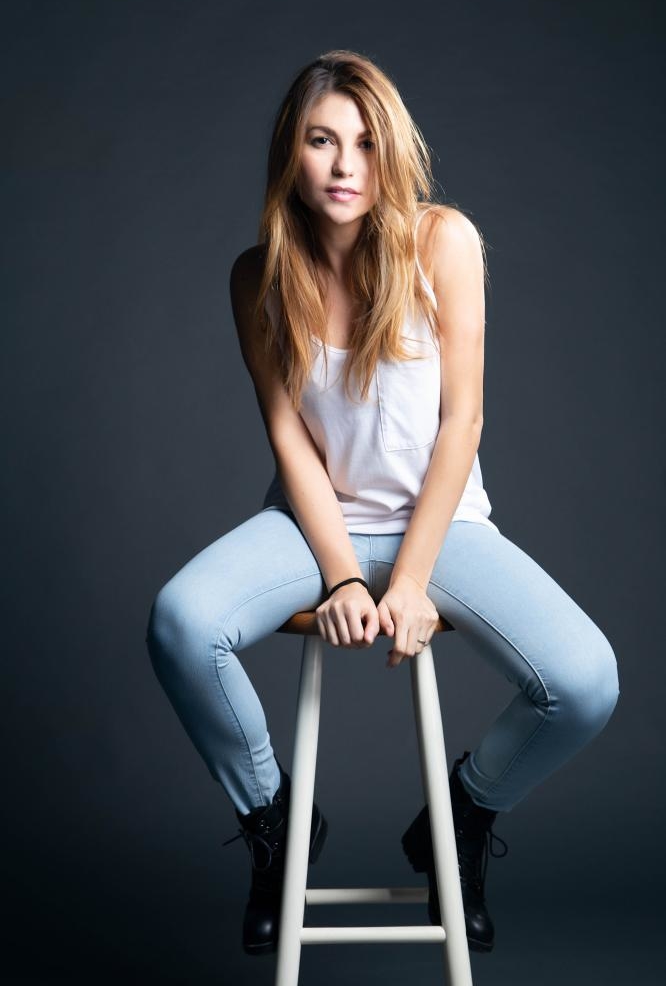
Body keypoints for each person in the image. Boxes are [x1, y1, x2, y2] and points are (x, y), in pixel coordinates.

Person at [145, 49, 620, 957]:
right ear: (291, 151)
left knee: (586, 680)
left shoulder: (442, 241)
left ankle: (461, 819)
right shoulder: (257, 277)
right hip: (314, 521)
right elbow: (288, 438)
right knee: (180, 622)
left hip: (441, 527)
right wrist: (340, 576)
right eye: (322, 140)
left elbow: (463, 420)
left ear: (390, 152)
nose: (344, 165)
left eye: (365, 143)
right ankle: (277, 823)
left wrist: (407, 581)